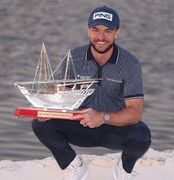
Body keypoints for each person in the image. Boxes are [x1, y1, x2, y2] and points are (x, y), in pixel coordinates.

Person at [32, 5, 151, 180]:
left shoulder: (129, 63)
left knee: (142, 135)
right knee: (40, 124)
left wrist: (103, 117)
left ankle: (124, 170)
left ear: (117, 32)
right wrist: (45, 108)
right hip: (79, 126)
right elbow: (59, 96)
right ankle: (76, 166)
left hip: (114, 128)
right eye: (95, 30)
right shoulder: (74, 56)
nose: (101, 37)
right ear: (88, 30)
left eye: (107, 31)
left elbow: (135, 112)